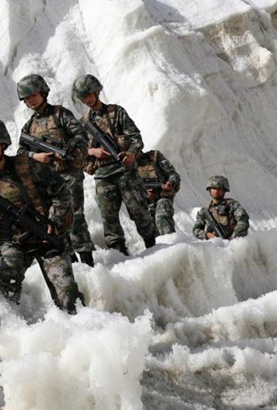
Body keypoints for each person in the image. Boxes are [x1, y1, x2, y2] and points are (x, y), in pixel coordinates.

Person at [0, 117, 82, 314]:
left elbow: (61, 192)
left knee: (68, 298)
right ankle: (16, 325)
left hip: (47, 238)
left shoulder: (28, 166)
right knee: (5, 283)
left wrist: (55, 220)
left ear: (2, 143)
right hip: (15, 243)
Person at [72, 74, 156, 256]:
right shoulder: (83, 123)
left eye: (88, 95)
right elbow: (78, 152)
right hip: (103, 175)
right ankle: (119, 255)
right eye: (82, 97)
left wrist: (131, 154)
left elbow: (136, 137)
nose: (86, 100)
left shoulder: (116, 112)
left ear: (96, 92)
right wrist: (93, 152)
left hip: (125, 171)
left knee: (139, 212)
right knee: (109, 219)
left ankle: (153, 246)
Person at [16, 74, 95, 267]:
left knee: (75, 216)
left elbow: (80, 134)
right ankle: (72, 261)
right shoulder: (29, 127)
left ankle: (87, 260)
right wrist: (37, 157)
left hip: (69, 174)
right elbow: (21, 154)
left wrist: (69, 150)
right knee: (57, 221)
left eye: (33, 95)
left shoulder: (60, 114)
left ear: (43, 93)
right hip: (48, 181)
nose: (31, 100)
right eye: (27, 98)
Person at [136, 149, 181, 235]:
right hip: (144, 206)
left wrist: (170, 183)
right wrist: (144, 194)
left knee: (162, 213)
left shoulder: (154, 156)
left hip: (162, 197)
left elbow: (174, 175)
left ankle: (170, 242)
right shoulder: (127, 167)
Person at [193, 175, 249, 239]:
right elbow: (196, 229)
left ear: (225, 190)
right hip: (213, 244)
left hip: (232, 243)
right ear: (209, 190)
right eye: (214, 188)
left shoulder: (233, 205)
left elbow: (243, 221)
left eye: (219, 188)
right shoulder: (204, 211)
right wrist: (208, 235)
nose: (216, 191)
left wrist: (233, 238)